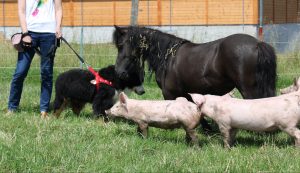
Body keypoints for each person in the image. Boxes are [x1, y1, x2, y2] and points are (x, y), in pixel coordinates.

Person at [7, 0, 63, 118]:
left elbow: (58, 9)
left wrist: (58, 27)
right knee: (20, 72)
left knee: (46, 73)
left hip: (49, 34)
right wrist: (25, 33)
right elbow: (21, 11)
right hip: (30, 33)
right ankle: (12, 107)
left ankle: (44, 110)